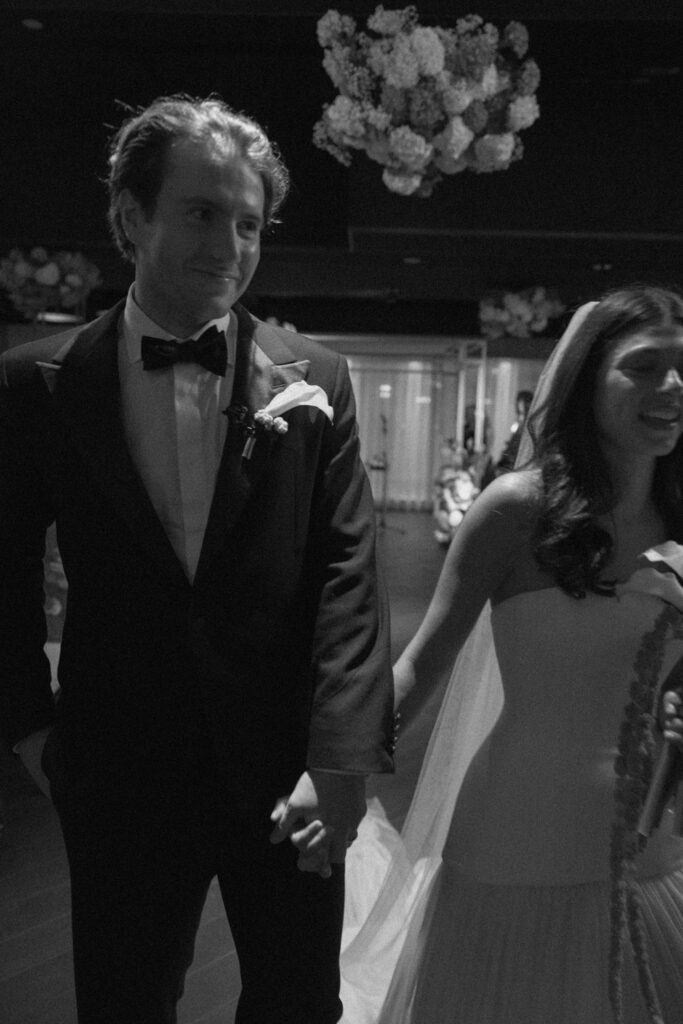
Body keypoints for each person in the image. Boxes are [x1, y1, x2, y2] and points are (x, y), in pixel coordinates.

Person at [0, 95, 394, 1024]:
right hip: (117, 765)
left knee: (298, 1000)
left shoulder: (314, 379)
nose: (230, 243)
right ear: (130, 217)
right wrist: (31, 730)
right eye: (203, 212)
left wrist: (339, 763)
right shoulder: (39, 385)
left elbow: (348, 572)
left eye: (250, 222)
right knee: (125, 1000)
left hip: (285, 769)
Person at [340, 285, 683, 1024]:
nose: (672, 387)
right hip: (512, 832)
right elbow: (421, 665)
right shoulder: (515, 510)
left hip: (650, 843)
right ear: (587, 379)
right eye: (644, 366)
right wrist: (333, 777)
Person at [495, 387, 534, 474]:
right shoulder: (518, 432)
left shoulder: (530, 436)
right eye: (518, 413)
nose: (519, 418)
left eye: (522, 413)